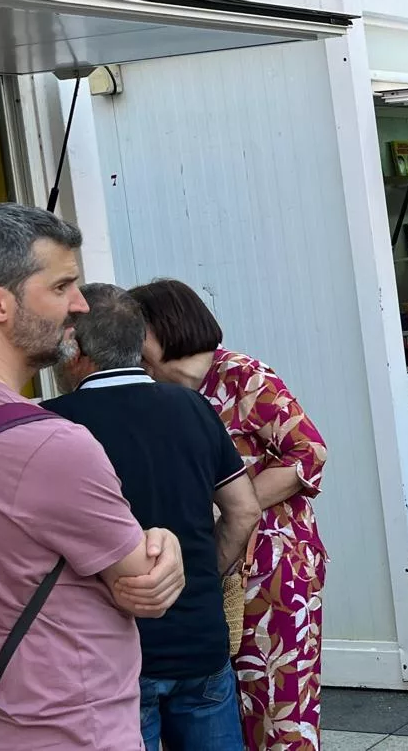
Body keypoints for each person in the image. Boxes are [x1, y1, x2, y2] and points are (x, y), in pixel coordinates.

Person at [0, 203, 185, 749]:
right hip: (72, 729)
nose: (79, 305)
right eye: (63, 285)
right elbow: (146, 587)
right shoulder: (51, 445)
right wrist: (165, 543)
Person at [46, 284, 262, 751]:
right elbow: (244, 511)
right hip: (200, 640)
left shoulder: (51, 425)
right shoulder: (193, 407)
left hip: (114, 655)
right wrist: (198, 576)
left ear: (76, 350)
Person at [129, 279, 329, 751]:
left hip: (274, 570)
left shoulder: (241, 375)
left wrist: (235, 507)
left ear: (161, 329)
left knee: (282, 708)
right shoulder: (165, 395)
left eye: (135, 331)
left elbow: (309, 453)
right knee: (229, 707)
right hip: (217, 569)